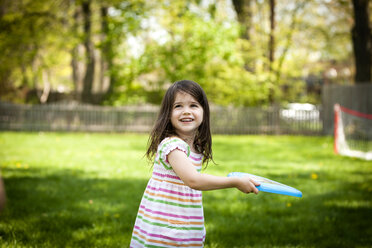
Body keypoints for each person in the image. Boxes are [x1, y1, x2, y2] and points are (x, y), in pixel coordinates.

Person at [129, 80, 259, 247]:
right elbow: (193, 180)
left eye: (193, 105)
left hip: (184, 224)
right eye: (178, 106)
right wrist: (234, 182)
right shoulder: (172, 146)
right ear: (168, 113)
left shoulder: (196, 148)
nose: (186, 112)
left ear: (204, 111)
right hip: (163, 232)